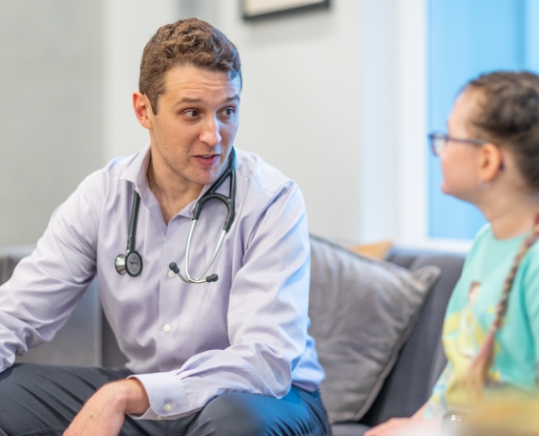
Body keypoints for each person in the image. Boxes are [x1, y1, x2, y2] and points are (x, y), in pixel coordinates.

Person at [0, 18, 331, 436]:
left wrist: (122, 395)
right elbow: (15, 313)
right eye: (192, 113)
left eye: (227, 111)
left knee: (232, 423)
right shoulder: (102, 196)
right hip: (153, 397)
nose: (214, 135)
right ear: (144, 110)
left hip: (270, 400)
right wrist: (135, 393)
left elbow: (263, 361)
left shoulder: (272, 200)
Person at [366, 71, 539, 435]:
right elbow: (456, 380)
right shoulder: (485, 242)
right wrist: (412, 426)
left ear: (487, 161)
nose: (440, 147)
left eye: (448, 136)